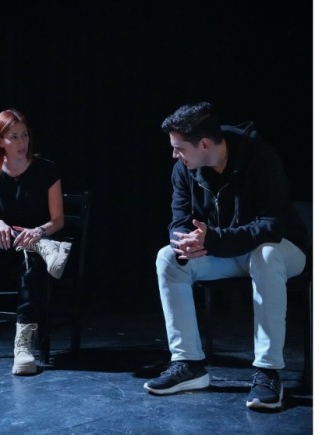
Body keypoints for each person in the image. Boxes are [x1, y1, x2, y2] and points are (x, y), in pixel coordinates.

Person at [144, 102, 308, 410]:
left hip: (282, 249)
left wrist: (213, 239)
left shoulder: (260, 156)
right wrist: (185, 242)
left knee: (266, 255)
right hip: (222, 251)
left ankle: (267, 372)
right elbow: (179, 219)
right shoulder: (183, 169)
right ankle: (188, 364)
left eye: (180, 148)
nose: (175, 155)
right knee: (168, 258)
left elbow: (271, 226)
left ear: (204, 144)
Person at [0, 108, 72, 375]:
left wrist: (39, 232)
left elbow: (58, 220)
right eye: (14, 137)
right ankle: (37, 246)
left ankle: (23, 346)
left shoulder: (46, 169)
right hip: (2, 246)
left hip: (36, 242)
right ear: (0, 141)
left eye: (25, 135)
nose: (22, 143)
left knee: (32, 261)